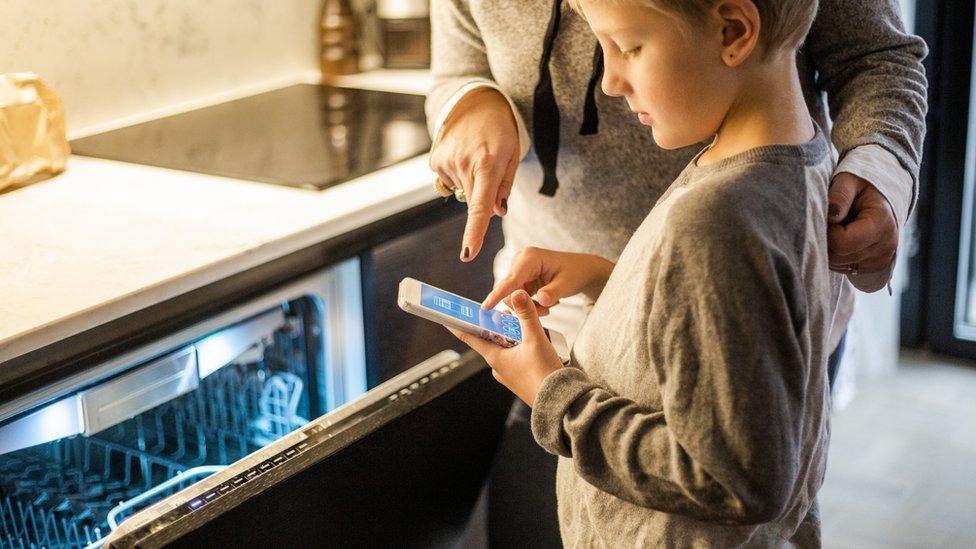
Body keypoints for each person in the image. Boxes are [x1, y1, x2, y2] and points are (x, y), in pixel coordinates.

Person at [450, 0, 844, 544]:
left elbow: (734, 479)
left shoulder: (715, 219)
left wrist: (551, 392)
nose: (610, 81)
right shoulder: (797, 161)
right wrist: (608, 280)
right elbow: (738, 341)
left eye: (629, 48)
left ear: (733, 32)